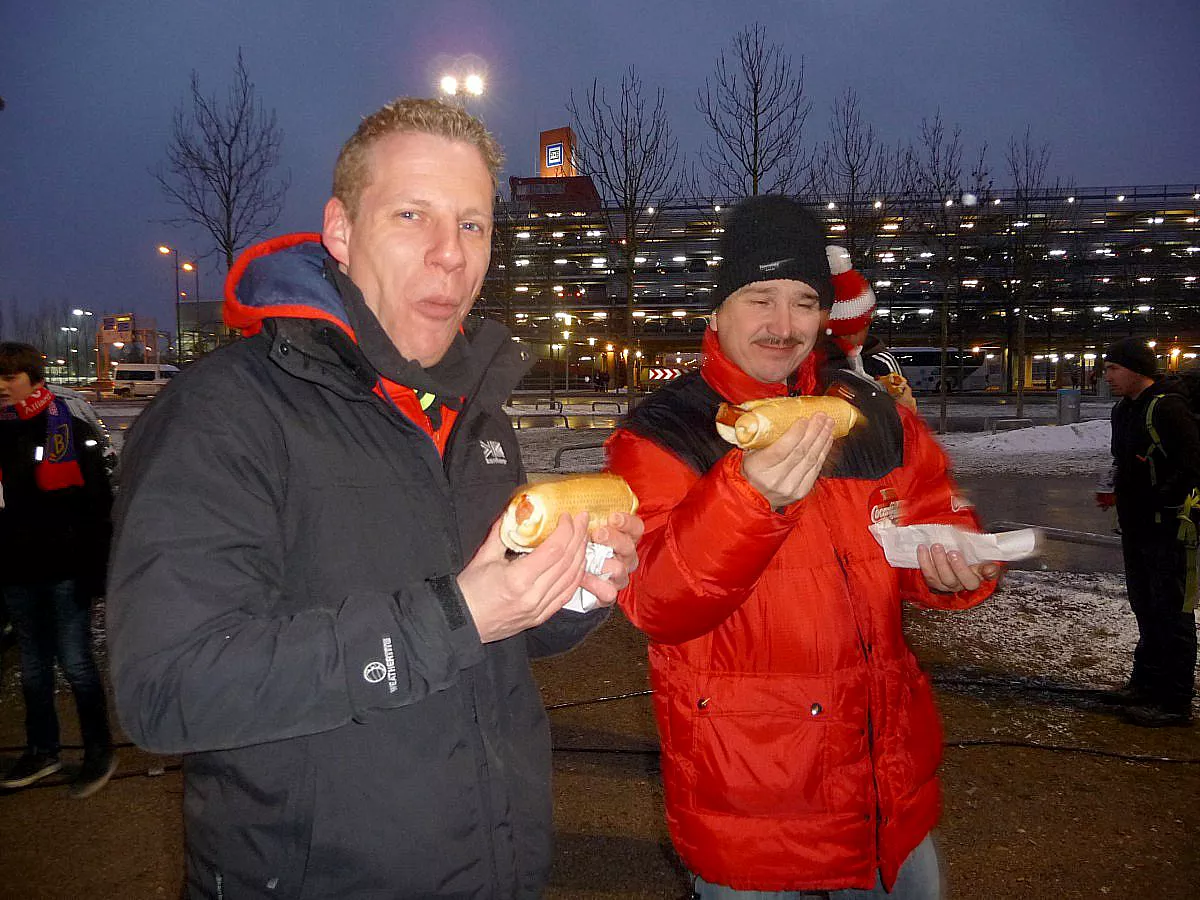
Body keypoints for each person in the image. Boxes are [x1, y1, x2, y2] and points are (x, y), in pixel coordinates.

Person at [108, 98, 643, 898]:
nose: (450, 256)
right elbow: (168, 689)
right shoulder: (223, 412)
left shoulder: (475, 412)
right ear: (341, 230)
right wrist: (456, 617)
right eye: (411, 216)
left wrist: (565, 593)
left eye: (473, 225)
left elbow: (492, 632)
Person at [605, 195, 1001, 898]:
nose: (783, 326)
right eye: (759, 298)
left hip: (881, 776)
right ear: (718, 310)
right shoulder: (661, 433)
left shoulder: (872, 411)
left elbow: (934, 510)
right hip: (752, 788)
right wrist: (752, 500)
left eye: (804, 302)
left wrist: (952, 565)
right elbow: (658, 603)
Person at [0, 342, 116, 798]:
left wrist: (95, 570)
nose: (2, 386)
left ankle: (98, 750)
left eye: (10, 377)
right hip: (14, 568)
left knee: (75, 662)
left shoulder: (65, 425)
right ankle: (42, 750)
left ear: (33, 378)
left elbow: (96, 508)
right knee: (32, 667)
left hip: (64, 568)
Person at [1095, 337, 1198, 727]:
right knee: (1146, 606)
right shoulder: (1124, 410)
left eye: (1113, 369)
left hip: (1171, 527)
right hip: (1137, 525)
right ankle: (1146, 684)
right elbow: (1125, 461)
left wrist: (1160, 500)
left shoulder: (1168, 408)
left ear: (1137, 370)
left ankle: (1174, 701)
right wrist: (1119, 492)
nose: (1106, 376)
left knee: (1172, 612)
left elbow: (1192, 464)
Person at [821, 245, 916, 412]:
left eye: (858, 329)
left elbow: (905, 426)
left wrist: (904, 406)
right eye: (841, 333)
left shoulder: (881, 363)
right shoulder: (810, 363)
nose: (851, 339)